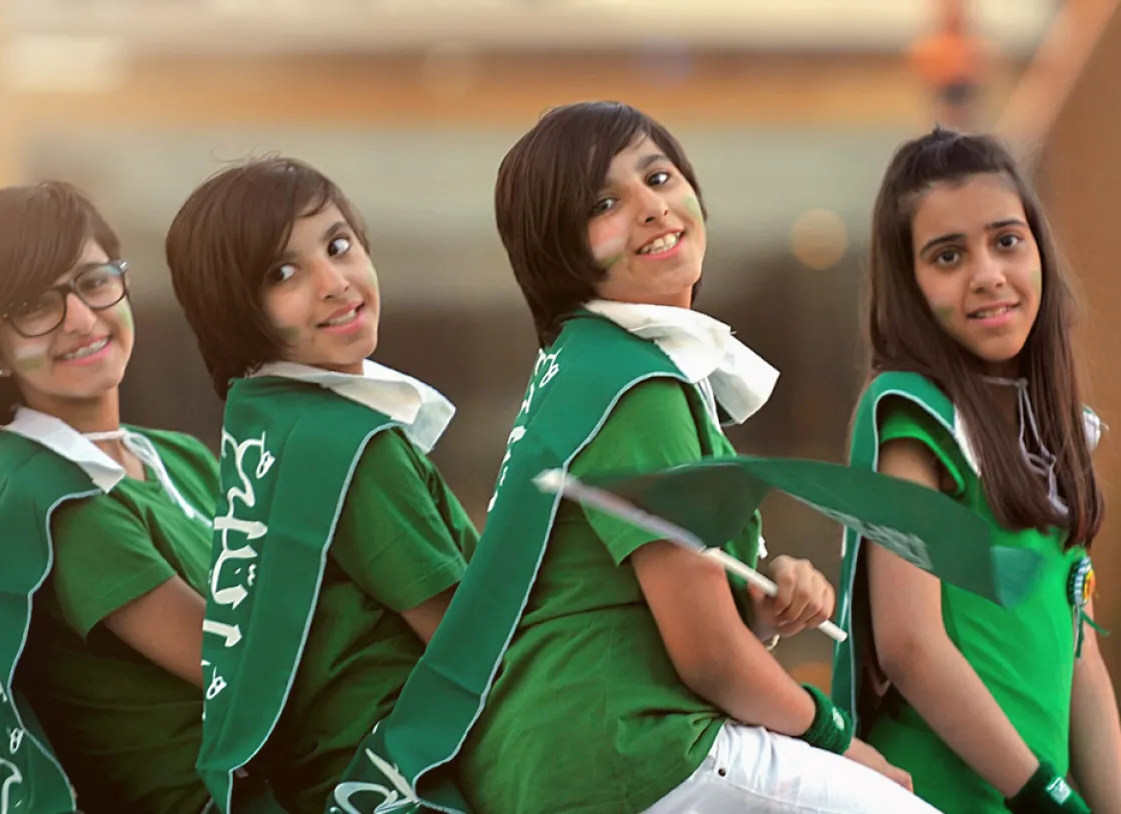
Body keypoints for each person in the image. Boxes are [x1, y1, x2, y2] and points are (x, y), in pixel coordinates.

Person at [373, 100, 939, 814]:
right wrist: (836, 739)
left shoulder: (594, 371)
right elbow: (708, 657)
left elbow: (637, 617)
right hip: (624, 749)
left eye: (660, 177)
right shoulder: (634, 386)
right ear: (559, 252)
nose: (651, 207)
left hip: (562, 758)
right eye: (604, 203)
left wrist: (761, 605)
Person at [164, 156, 478, 813]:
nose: (335, 283)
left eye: (338, 246)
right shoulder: (348, 446)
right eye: (283, 273)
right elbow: (471, 646)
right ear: (233, 311)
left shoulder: (269, 432)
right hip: (403, 785)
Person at [832, 127, 1121, 813]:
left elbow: (1081, 661)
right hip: (933, 797)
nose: (987, 273)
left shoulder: (1054, 429)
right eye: (948, 255)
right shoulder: (913, 416)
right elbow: (910, 644)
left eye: (1006, 241)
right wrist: (1046, 795)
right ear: (909, 285)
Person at [0, 182, 219, 813]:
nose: (82, 320)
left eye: (93, 282)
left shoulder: (178, 457)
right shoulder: (54, 502)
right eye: (35, 305)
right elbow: (239, 666)